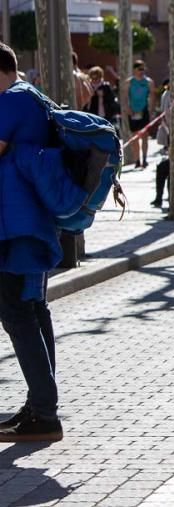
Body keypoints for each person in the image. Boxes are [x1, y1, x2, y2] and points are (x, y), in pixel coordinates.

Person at [0, 41, 63, 441]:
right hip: (33, 223)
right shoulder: (35, 97)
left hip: (17, 226)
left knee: (17, 313)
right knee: (34, 310)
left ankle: (44, 411)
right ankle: (39, 405)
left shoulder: (11, 101)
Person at [125, 60, 154, 169]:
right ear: (134, 69)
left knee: (145, 136)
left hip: (144, 111)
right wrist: (127, 108)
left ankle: (145, 159)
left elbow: (152, 96)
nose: (141, 71)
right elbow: (125, 97)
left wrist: (151, 111)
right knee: (135, 137)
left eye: (143, 69)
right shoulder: (129, 82)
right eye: (139, 69)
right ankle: (137, 160)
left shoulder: (149, 82)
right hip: (133, 111)